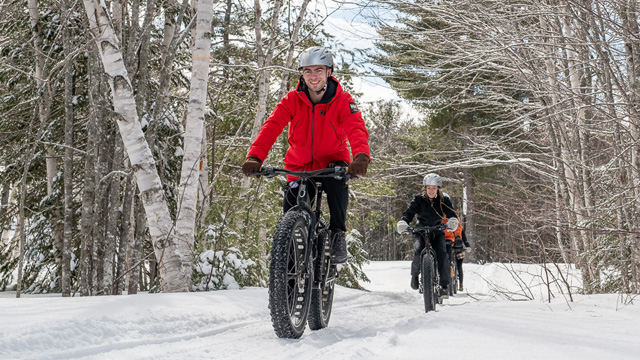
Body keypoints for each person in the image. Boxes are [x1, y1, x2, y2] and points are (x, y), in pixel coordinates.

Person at [241, 46, 371, 264]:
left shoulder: (342, 100)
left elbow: (356, 128)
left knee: (337, 185)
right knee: (290, 217)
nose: (313, 76)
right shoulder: (291, 100)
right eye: (308, 71)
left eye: (318, 70)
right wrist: (255, 157)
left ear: (329, 72)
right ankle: (288, 276)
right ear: (302, 73)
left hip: (332, 164)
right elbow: (271, 127)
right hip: (299, 166)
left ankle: (338, 233)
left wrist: (361, 157)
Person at [396, 173, 458, 297]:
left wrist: (452, 221)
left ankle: (444, 284)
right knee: (419, 251)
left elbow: (451, 212)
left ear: (438, 189)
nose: (431, 190)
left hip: (437, 231)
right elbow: (409, 212)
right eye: (429, 187)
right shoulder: (418, 199)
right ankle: (414, 276)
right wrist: (403, 222)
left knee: (442, 253)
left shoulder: (443, 200)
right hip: (420, 231)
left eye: (434, 188)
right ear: (425, 188)